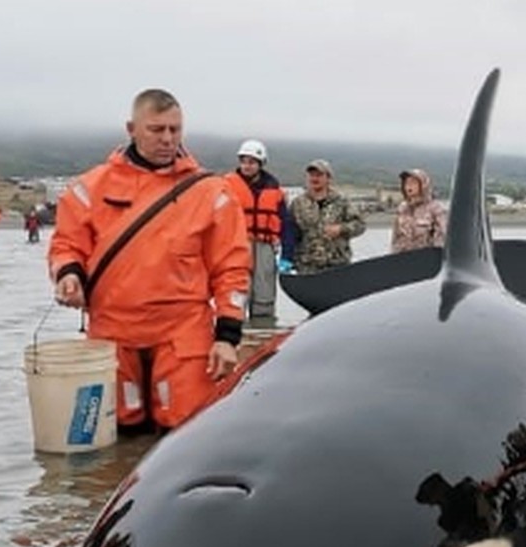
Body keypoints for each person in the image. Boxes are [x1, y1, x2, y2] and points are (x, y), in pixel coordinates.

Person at [48, 87, 250, 434]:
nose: (167, 139)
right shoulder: (90, 187)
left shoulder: (210, 192)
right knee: (109, 438)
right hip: (112, 332)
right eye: (157, 130)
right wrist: (69, 275)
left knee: (189, 435)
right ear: (132, 129)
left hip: (183, 333)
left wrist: (228, 336)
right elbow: (67, 243)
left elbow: (231, 267)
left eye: (175, 130)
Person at [223, 138, 294, 327]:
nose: (247, 165)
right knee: (236, 294)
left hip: (265, 247)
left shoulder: (275, 191)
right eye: (244, 161)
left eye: (252, 162)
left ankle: (263, 331)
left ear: (260, 164)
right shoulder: (227, 186)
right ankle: (232, 336)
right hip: (237, 245)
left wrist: (287, 256)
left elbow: (286, 224)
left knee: (264, 295)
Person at [289, 159, 367, 274]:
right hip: (306, 266)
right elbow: (289, 232)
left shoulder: (341, 201)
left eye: (319, 175)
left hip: (337, 265)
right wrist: (287, 258)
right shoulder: (298, 203)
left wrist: (341, 229)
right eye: (311, 175)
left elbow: (360, 225)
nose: (314, 179)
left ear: (328, 178)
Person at [390, 167, 448, 253]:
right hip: (402, 260)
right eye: (406, 183)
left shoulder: (436, 209)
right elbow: (395, 240)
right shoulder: (402, 209)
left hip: (425, 260)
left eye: (413, 183)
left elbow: (441, 241)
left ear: (423, 185)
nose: (409, 187)